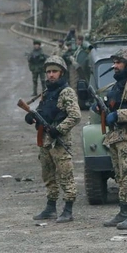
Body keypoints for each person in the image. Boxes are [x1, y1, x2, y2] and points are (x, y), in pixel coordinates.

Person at [25, 55, 81, 223]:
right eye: (48, 71)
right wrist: (32, 117)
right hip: (45, 141)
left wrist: (59, 129)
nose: (50, 75)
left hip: (59, 142)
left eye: (54, 71)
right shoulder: (47, 92)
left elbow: (75, 116)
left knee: (66, 175)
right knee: (48, 175)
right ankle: (50, 208)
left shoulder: (66, 92)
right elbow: (42, 112)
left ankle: (68, 209)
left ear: (61, 73)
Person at [96, 48, 127, 229]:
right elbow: (114, 105)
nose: (114, 66)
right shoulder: (118, 85)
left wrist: (117, 115)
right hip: (116, 137)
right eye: (114, 62)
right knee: (120, 176)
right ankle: (124, 212)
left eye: (118, 62)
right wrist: (102, 109)